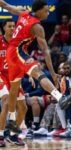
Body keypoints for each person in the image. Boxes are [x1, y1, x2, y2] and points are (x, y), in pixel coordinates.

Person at [0, 0, 71, 133]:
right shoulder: (37, 26)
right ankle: (60, 98)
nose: (48, 13)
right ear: (38, 10)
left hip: (12, 55)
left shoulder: (24, 14)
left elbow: (6, 6)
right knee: (37, 71)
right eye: (46, 10)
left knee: (14, 89)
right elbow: (46, 51)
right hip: (17, 52)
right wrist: (53, 73)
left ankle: (12, 121)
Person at [0, 19, 27, 147]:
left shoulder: (18, 43)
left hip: (14, 77)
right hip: (1, 75)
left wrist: (29, 74)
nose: (12, 28)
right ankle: (0, 136)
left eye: (14, 26)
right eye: (9, 26)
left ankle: (12, 135)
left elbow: (22, 61)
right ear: (4, 28)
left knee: (23, 107)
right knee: (6, 102)